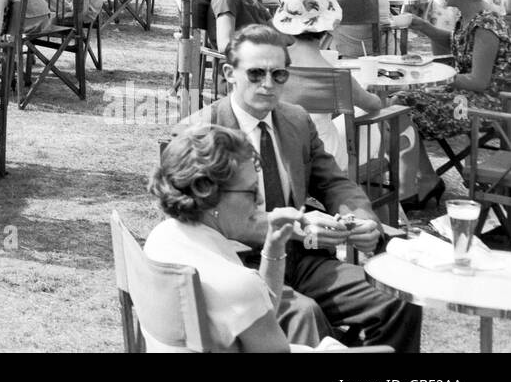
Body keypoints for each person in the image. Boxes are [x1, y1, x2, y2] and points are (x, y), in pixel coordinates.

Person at [176, 24, 422, 352]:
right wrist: (300, 225)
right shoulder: (200, 132)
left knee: (398, 298)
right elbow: (202, 220)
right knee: (306, 315)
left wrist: (363, 220)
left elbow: (334, 183)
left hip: (299, 259)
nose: (267, 85)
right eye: (255, 74)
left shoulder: (295, 119)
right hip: (237, 268)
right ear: (228, 73)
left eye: (278, 75)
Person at [145, 125, 305, 352]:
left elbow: (260, 314)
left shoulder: (161, 238)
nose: (260, 201)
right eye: (250, 191)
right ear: (208, 192)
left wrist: (274, 245)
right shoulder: (237, 282)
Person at [391, 0, 511, 151]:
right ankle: (424, 177)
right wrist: (423, 26)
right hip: (466, 97)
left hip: (483, 108)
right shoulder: (469, 16)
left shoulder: (486, 25)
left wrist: (428, 74)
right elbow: (460, 43)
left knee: (400, 105)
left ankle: (423, 179)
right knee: (400, 99)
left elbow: (478, 82)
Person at [271, 0, 384, 171]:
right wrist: (373, 92)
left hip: (279, 151)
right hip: (325, 157)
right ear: (327, 30)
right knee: (369, 118)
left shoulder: (272, 63)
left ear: (288, 28)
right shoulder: (336, 75)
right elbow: (374, 105)